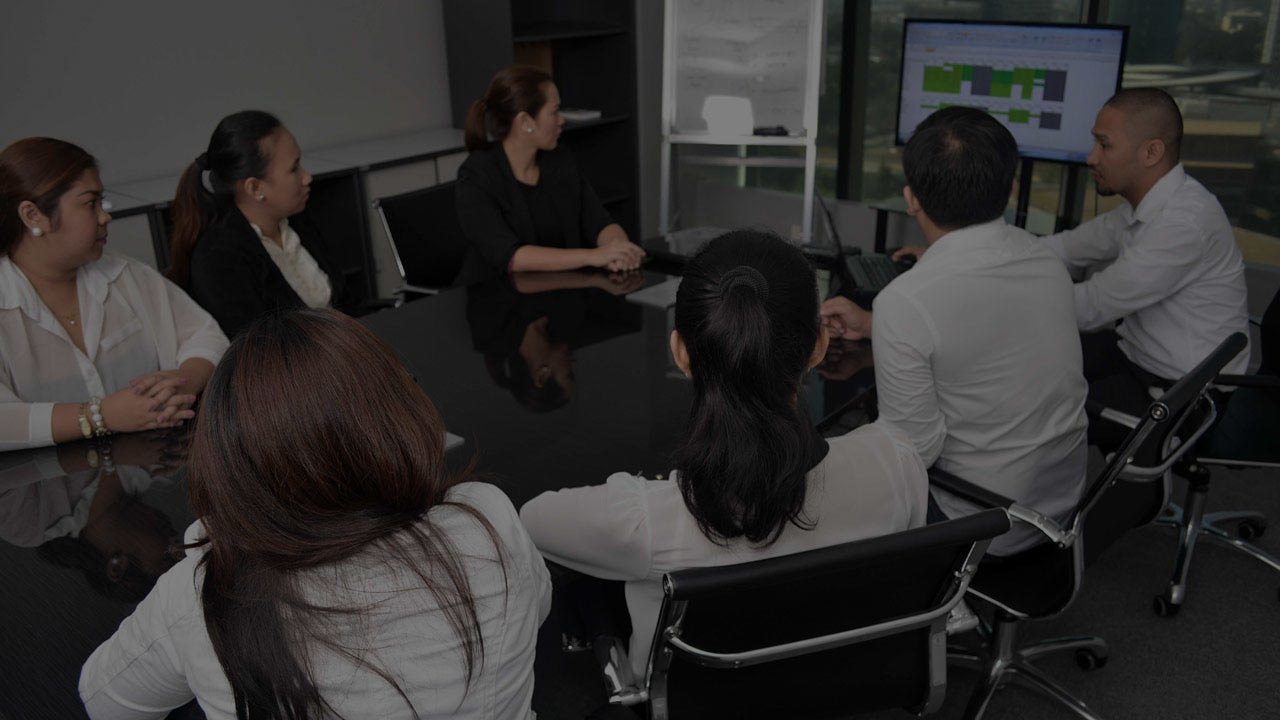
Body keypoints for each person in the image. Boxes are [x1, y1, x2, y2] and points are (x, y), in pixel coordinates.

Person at [79, 309, 551, 720]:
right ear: (397, 415)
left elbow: (104, 701)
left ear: (229, 458)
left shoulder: (205, 591)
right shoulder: (486, 518)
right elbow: (534, 608)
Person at [520, 230, 928, 678]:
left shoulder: (644, 521)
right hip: (845, 680)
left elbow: (532, 519)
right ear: (818, 345)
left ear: (681, 353)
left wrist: (631, 489)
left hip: (690, 702)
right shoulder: (899, 463)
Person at [821, 107, 1088, 555]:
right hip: (1060, 503)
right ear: (1012, 189)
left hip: (980, 521)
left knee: (820, 497)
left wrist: (827, 454)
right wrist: (872, 325)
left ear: (911, 200)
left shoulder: (907, 300)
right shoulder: (1046, 260)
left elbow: (912, 452)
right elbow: (984, 330)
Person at [0, 137, 227, 451]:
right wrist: (100, 416)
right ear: (32, 216)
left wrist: (183, 381)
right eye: (89, 203)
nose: (105, 216)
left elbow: (206, 336)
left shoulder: (125, 275)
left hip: (151, 465)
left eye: (102, 202)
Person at [1042, 88, 1250, 430]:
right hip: (1135, 355)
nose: (1091, 158)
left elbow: (1093, 306)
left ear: (1152, 152)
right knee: (1034, 358)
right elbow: (1064, 248)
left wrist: (1007, 299)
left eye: (1105, 145)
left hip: (1183, 394)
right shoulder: (1145, 207)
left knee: (1040, 408)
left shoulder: (1184, 223)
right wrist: (982, 255)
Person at [168, 110, 351, 337]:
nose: (307, 177)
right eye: (294, 169)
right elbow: (259, 349)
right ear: (255, 188)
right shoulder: (219, 260)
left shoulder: (297, 219)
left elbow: (343, 302)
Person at [456, 65, 645, 274]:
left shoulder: (559, 160)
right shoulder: (477, 174)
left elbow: (600, 222)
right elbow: (510, 257)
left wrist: (619, 250)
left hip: (560, 286)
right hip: (498, 290)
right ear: (525, 122)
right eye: (554, 112)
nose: (561, 119)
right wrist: (594, 256)